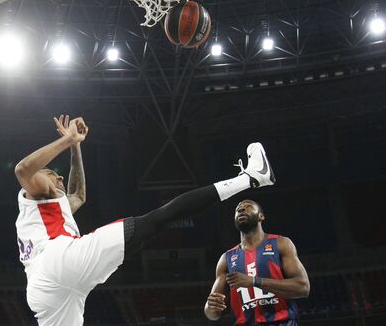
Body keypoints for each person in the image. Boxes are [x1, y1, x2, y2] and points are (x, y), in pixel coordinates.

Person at [14, 114, 276, 326]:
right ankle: (251, 177)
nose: (59, 179)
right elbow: (23, 169)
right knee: (158, 219)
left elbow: (78, 195)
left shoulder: (47, 210)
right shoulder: (38, 192)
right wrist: (67, 139)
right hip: (57, 259)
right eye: (53, 175)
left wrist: (75, 147)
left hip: (42, 290)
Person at [204, 199, 310, 326]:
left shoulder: (281, 243)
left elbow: (303, 288)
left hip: (281, 323)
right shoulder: (226, 259)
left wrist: (254, 281)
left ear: (261, 216)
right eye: (238, 209)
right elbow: (213, 314)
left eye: (248, 206)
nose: (241, 209)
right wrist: (210, 307)